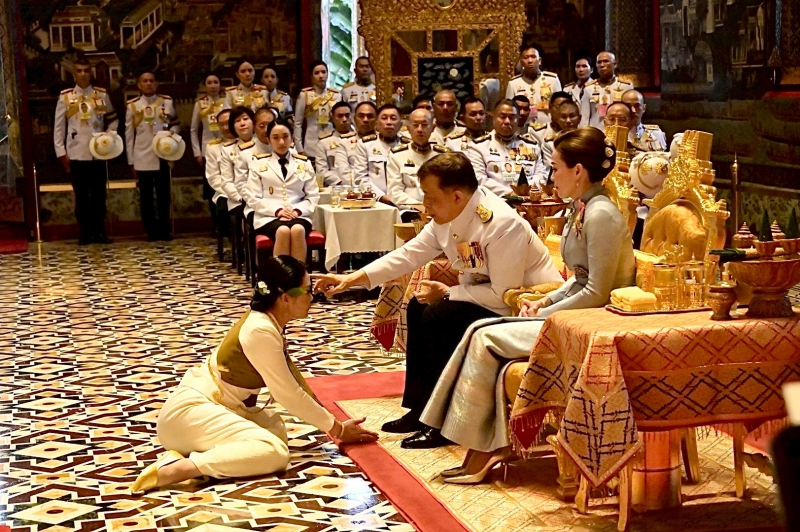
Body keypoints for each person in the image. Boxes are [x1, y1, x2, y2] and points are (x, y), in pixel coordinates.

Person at [420, 127, 636, 483]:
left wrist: (547, 314)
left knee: (484, 336)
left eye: (556, 168)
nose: (552, 176)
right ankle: (481, 441)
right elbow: (579, 279)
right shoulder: (582, 208)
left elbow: (597, 291)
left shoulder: (600, 213)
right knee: (479, 330)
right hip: (575, 313)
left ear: (578, 171)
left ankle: (485, 446)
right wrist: (545, 300)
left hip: (595, 322)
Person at [314, 153, 561, 449]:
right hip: (485, 298)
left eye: (430, 197)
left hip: (525, 307)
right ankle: (420, 408)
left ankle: (442, 423)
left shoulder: (501, 223)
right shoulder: (449, 215)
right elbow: (409, 254)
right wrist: (352, 279)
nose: (424, 205)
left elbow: (503, 295)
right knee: (418, 307)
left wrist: (447, 293)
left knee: (440, 315)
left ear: (456, 196)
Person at [131, 256, 377, 494]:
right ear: (285, 298)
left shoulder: (267, 321)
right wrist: (337, 429)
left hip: (214, 407)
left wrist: (332, 424)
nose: (312, 297)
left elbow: (292, 385)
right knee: (274, 452)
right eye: (306, 291)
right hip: (188, 414)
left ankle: (199, 457)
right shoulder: (260, 330)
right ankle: (177, 469)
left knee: (274, 427)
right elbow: (287, 393)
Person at [53, 57, 118, 245]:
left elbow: (113, 119)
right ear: (74, 74)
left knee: (99, 195)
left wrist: (109, 136)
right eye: (79, 71)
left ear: (91, 73)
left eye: (86, 70)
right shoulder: (66, 97)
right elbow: (59, 127)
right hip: (76, 153)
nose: (83, 74)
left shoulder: (101, 95)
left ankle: (99, 231)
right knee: (81, 196)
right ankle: (85, 232)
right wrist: (61, 152)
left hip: (98, 153)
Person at [248, 118, 319, 262]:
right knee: (283, 231)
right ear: (268, 140)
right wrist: (278, 211)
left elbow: (313, 195)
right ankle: (280, 274)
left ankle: (299, 274)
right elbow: (253, 198)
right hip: (268, 216)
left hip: (298, 214)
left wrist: (297, 211)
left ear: (292, 138)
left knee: (298, 230)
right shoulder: (258, 164)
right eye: (275, 138)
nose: (281, 142)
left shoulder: (303, 163)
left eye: (285, 136)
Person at [125, 71, 180, 241]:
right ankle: (150, 230)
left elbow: (176, 123)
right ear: (139, 85)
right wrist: (131, 161)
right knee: (146, 197)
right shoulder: (133, 106)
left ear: (156, 84)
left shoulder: (166, 102)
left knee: (164, 195)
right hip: (142, 155)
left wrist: (172, 133)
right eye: (145, 81)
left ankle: (164, 229)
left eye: (151, 80)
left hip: (163, 154)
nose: (148, 83)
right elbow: (129, 135)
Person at [468, 99, 547, 196]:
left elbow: (540, 175)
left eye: (512, 117)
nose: (507, 121)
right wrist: (510, 193)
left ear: (518, 119)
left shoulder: (531, 146)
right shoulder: (478, 147)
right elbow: (479, 179)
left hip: (528, 199)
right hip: (495, 200)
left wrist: (526, 191)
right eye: (502, 117)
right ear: (493, 117)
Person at [387, 108, 449, 218]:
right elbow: (394, 192)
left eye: (424, 125)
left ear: (433, 128)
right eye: (415, 125)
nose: (420, 129)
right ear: (408, 128)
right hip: (410, 211)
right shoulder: (397, 156)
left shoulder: (443, 155)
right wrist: (419, 206)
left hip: (439, 209)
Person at [191, 73, 225, 231]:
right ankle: (216, 225)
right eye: (209, 83)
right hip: (208, 151)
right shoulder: (200, 104)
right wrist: (197, 152)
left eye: (215, 82)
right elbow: (193, 129)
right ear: (205, 86)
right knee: (212, 189)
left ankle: (227, 225)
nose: (213, 86)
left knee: (226, 187)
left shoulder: (227, 101)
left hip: (226, 149)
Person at [353, 103, 406, 201]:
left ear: (400, 124)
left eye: (393, 118)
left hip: (405, 202)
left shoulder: (408, 145)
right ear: (377, 124)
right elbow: (360, 178)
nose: (389, 122)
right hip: (376, 201)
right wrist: (382, 198)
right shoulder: (365, 145)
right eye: (384, 118)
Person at [293, 60, 340, 165]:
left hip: (332, 141)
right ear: (311, 76)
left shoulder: (336, 95)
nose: (321, 76)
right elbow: (298, 123)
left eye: (323, 72)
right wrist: (299, 147)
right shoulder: (305, 95)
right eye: (317, 73)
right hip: (311, 144)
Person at [505, 44, 561, 125]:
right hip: (523, 128)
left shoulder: (552, 80)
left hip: (548, 127)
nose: (530, 61)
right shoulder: (514, 83)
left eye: (533, 57)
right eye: (526, 57)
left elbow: (560, 107)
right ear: (521, 62)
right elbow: (509, 110)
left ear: (540, 60)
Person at [581, 51, 634, 130]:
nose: (602, 65)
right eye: (599, 62)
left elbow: (632, 115)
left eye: (606, 61)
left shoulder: (626, 87)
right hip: (596, 132)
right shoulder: (589, 89)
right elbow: (584, 118)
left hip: (619, 131)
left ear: (615, 64)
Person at [205, 109, 235, 248]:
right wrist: (231, 191)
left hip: (250, 190)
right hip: (225, 192)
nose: (226, 127)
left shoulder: (248, 142)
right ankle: (233, 242)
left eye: (228, 123)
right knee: (224, 208)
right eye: (221, 124)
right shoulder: (213, 147)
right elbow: (213, 177)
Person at [316, 101, 355, 187]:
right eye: (340, 116)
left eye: (347, 115)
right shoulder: (324, 142)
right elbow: (321, 170)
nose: (344, 119)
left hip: (359, 184)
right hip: (336, 186)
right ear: (333, 118)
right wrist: (340, 182)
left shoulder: (360, 140)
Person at [334, 101, 377, 171]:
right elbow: (343, 171)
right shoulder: (343, 143)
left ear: (376, 119)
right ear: (354, 119)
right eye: (361, 116)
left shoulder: (384, 140)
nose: (365, 120)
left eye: (370, 116)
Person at [541, 97, 581, 170]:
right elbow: (550, 170)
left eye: (572, 116)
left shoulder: (589, 140)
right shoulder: (550, 143)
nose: (568, 120)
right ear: (558, 120)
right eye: (563, 117)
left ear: (579, 118)